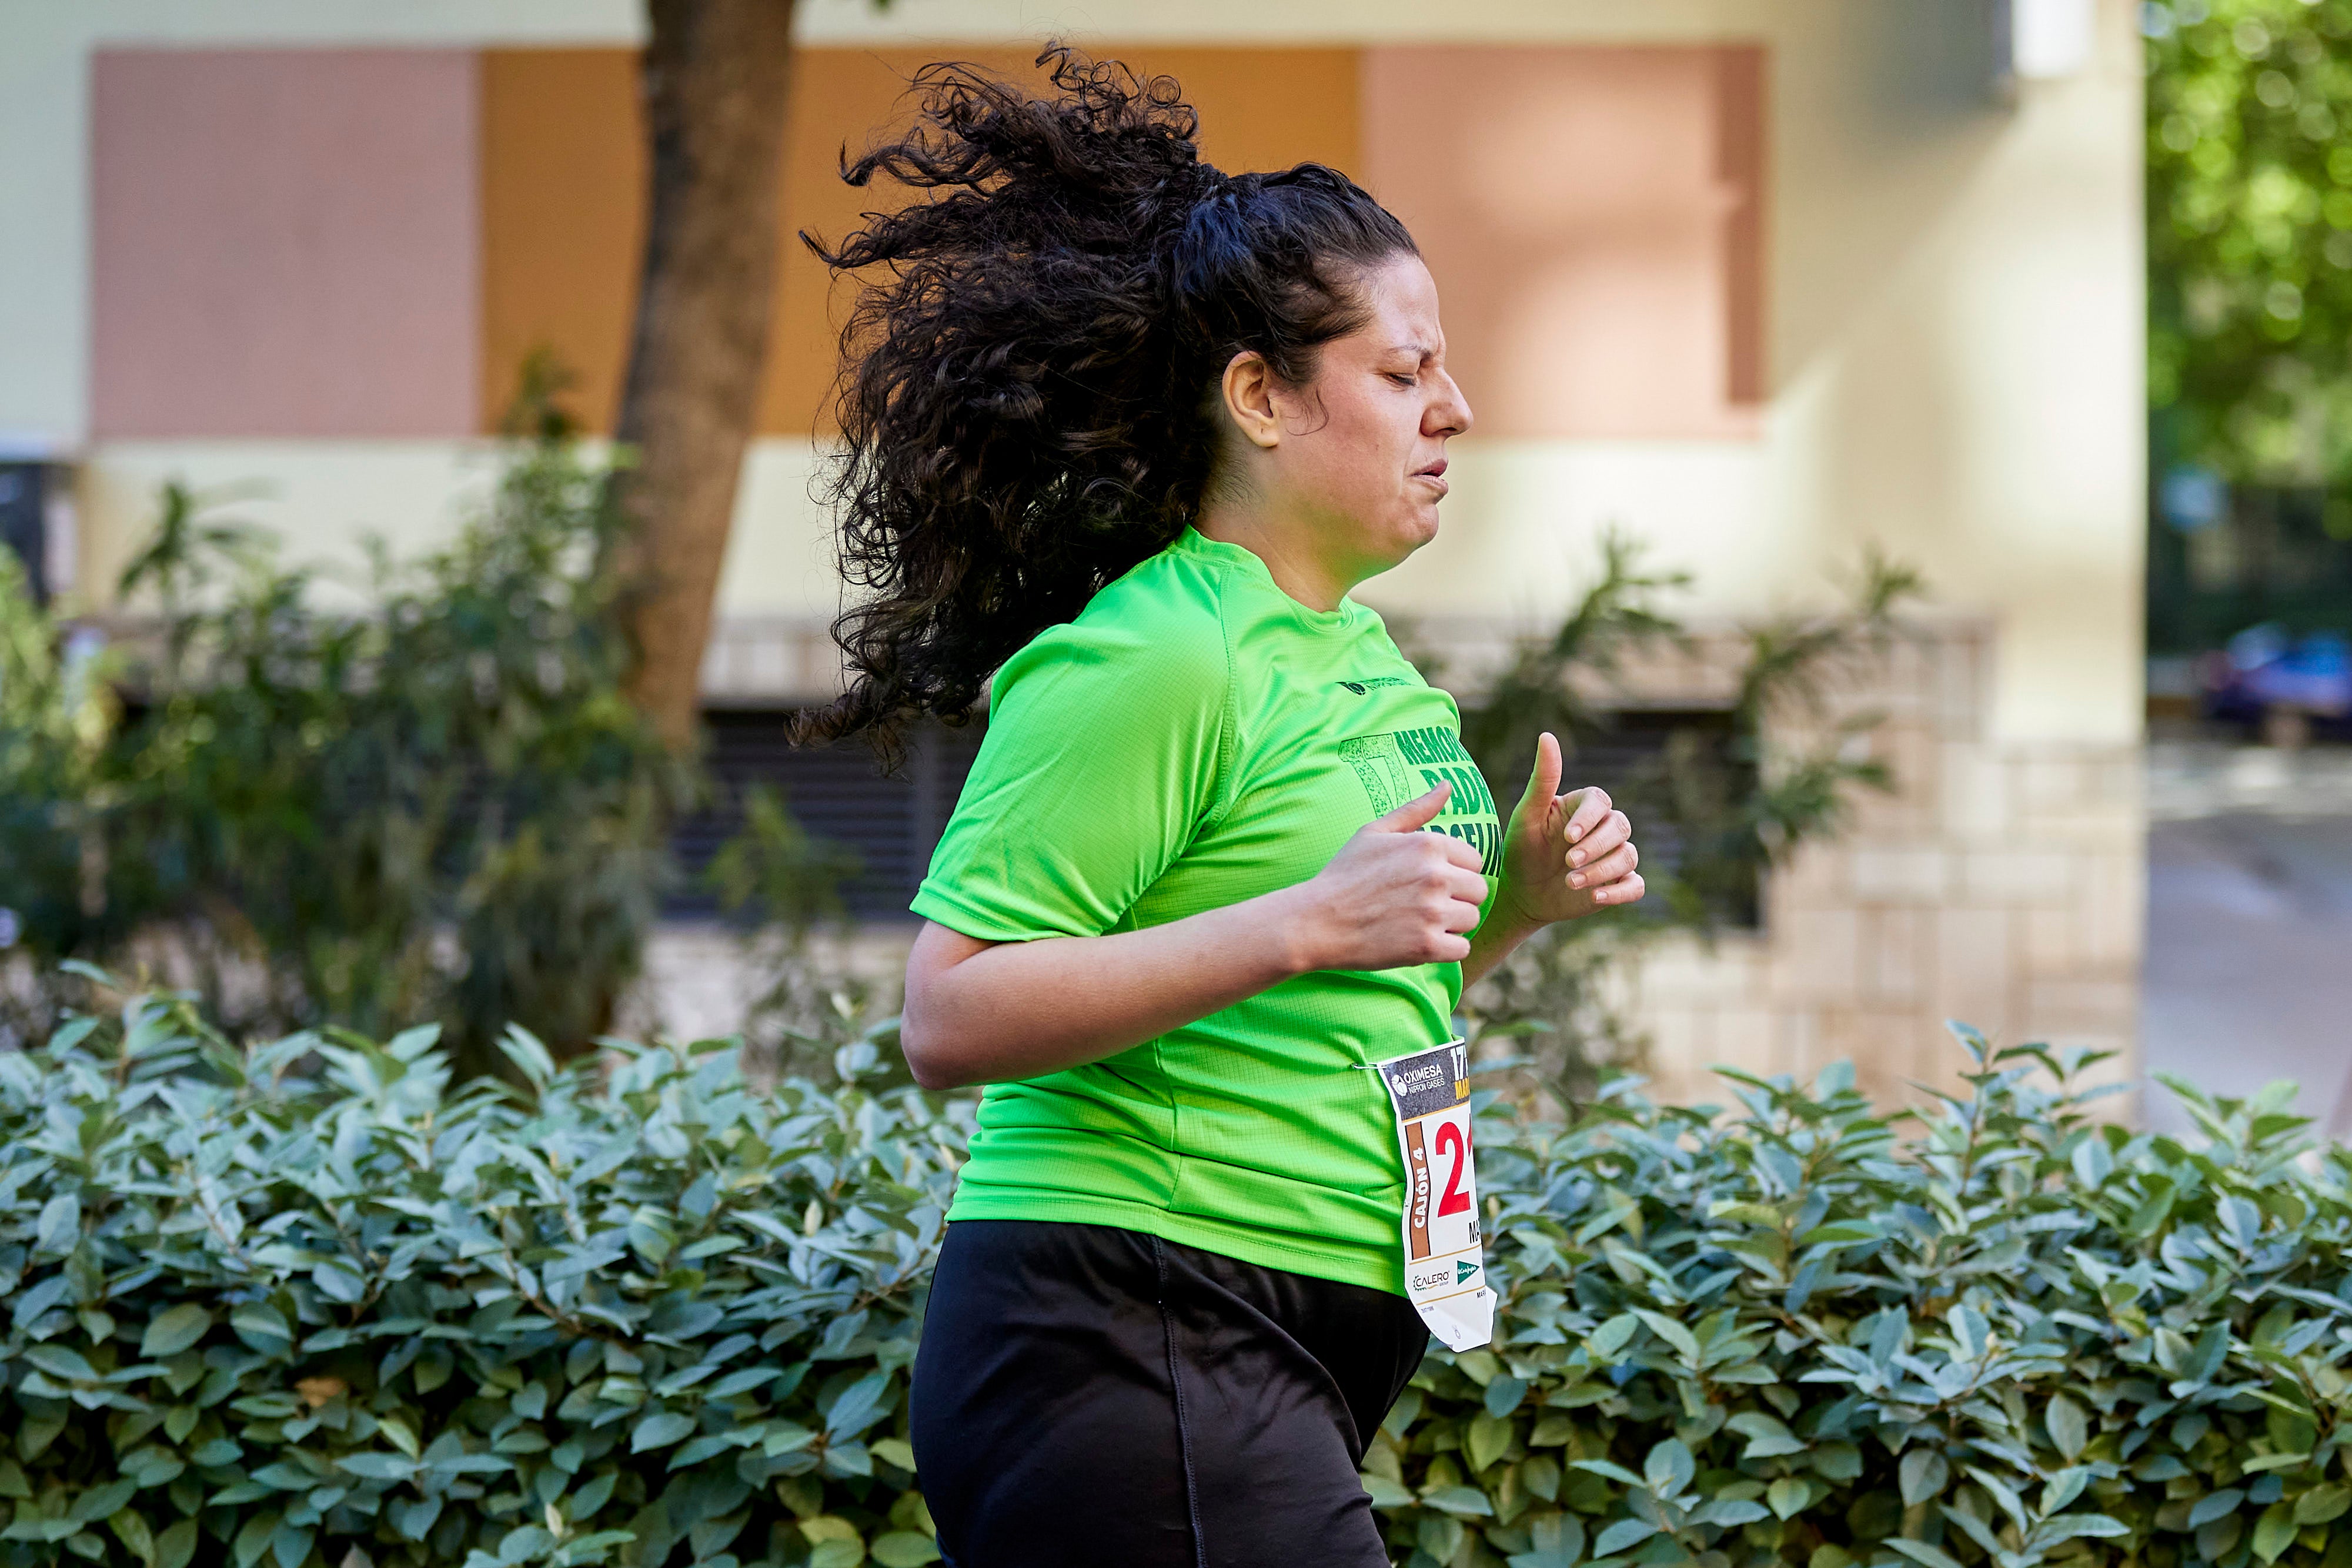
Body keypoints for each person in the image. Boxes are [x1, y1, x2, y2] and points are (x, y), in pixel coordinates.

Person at [794, 46, 1645, 1568]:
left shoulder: (1371, 668)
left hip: (1286, 1336)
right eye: (1403, 371)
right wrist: (1305, 919)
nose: (1454, 408)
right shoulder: (1159, 653)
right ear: (1260, 394)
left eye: (1443, 368)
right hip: (1128, 1319)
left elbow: (1351, 990)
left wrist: (1511, 902)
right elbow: (950, 1012)